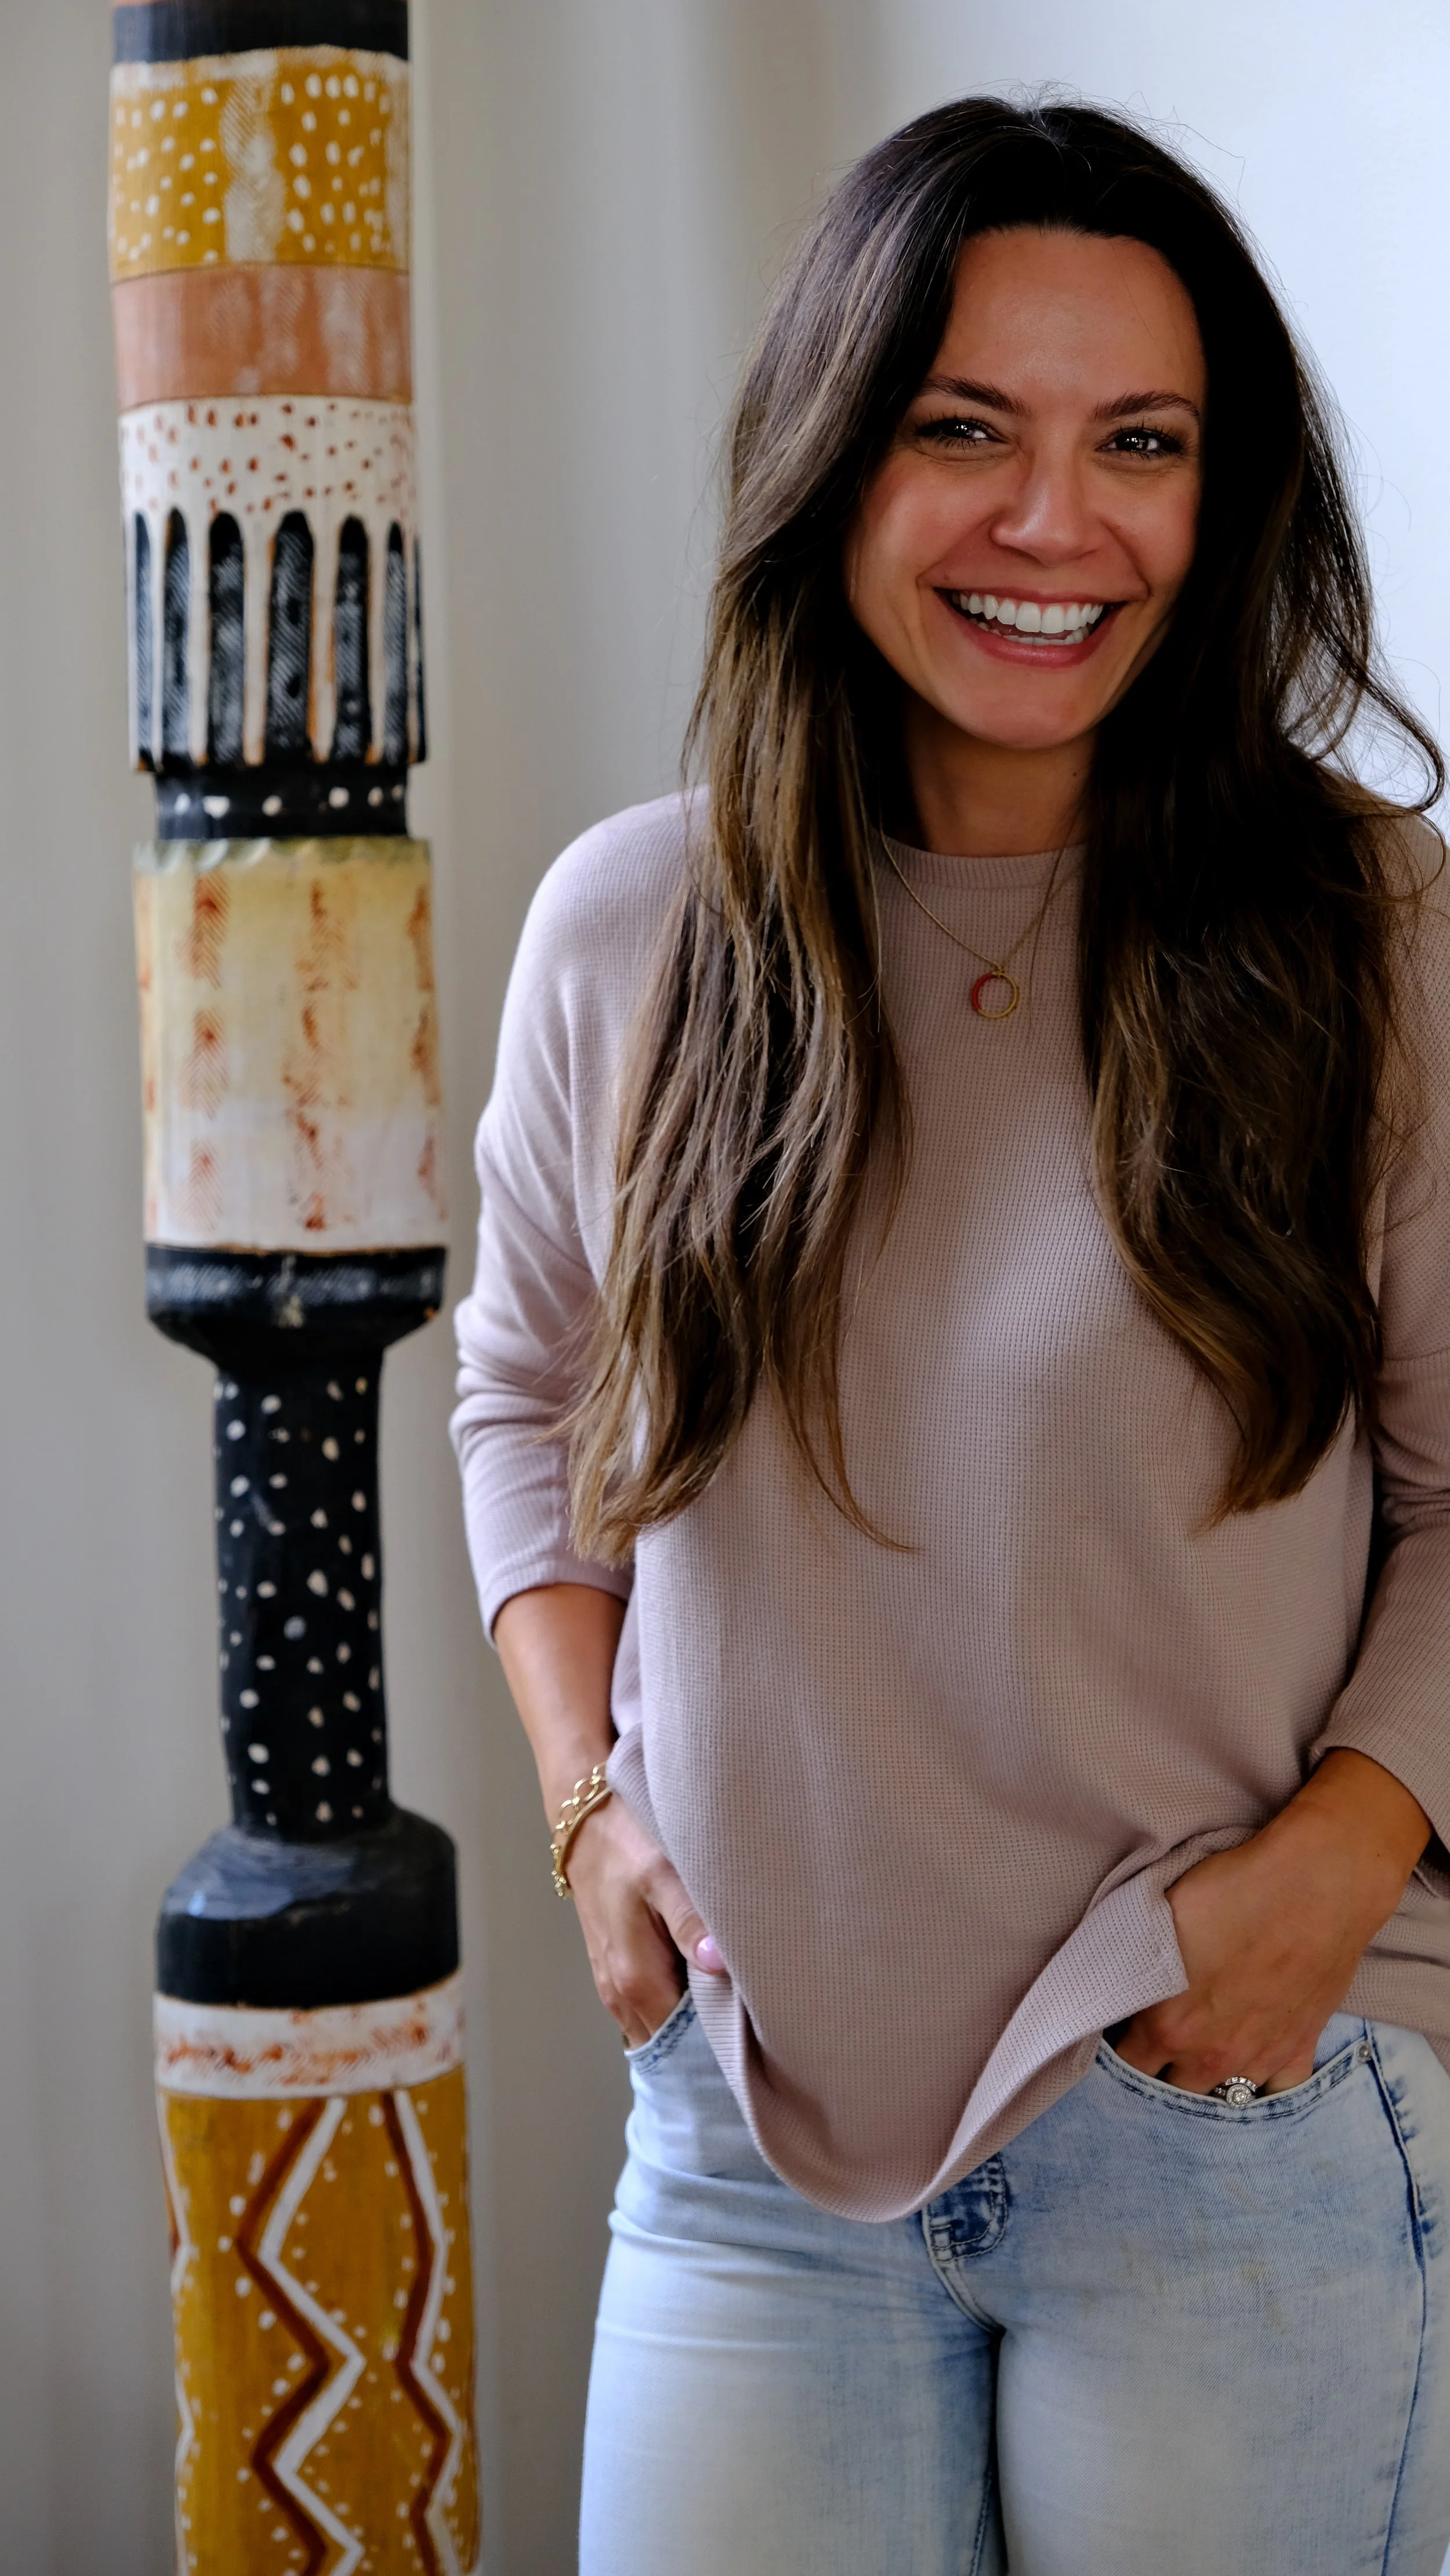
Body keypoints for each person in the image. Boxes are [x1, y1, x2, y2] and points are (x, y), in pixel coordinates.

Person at [452, 96, 1450, 2575]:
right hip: (744, 2135)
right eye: (962, 433)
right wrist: (591, 1814)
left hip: (1219, 2103)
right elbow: (526, 1399)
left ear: (1218, 505)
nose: (1054, 523)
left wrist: (1327, 1878)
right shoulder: (635, 930)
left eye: (1139, 444)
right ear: (836, 462)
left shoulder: (1367, 930)